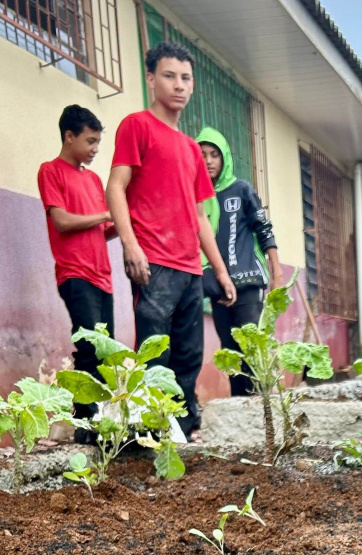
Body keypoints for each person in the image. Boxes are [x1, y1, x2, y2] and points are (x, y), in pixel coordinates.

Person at [107, 42, 237, 438]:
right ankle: (144, 431)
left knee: (189, 355)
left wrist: (220, 270)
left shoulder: (191, 150)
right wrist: (130, 245)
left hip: (189, 268)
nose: (179, 86)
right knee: (153, 352)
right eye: (169, 76)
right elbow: (116, 186)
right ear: (151, 79)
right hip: (153, 264)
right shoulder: (137, 126)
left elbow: (200, 218)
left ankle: (181, 430)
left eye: (186, 78)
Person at [38, 105, 117, 444]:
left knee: (105, 352)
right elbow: (63, 221)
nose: (96, 149)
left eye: (98, 142)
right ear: (69, 136)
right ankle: (85, 423)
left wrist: (126, 221)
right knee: (88, 348)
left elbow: (105, 228)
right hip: (74, 274)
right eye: (90, 141)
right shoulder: (50, 171)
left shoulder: (94, 179)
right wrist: (104, 214)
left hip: (103, 276)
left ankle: (95, 419)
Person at [196, 127, 283, 396]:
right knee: (230, 351)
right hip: (218, 286)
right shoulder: (197, 198)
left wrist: (276, 272)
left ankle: (262, 405)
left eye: (214, 155)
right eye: (202, 155)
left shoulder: (241, 189)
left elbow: (263, 229)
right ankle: (240, 405)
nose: (209, 161)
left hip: (247, 281)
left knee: (252, 348)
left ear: (225, 159)